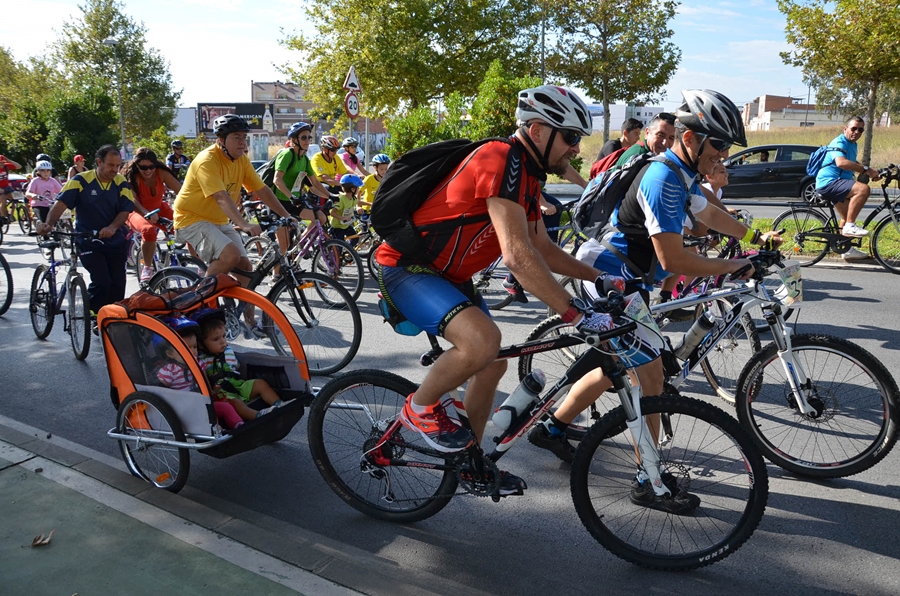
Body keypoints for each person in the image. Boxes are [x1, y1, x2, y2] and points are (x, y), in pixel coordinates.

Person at [531, 90, 781, 513]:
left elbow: (710, 214)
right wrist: (733, 267)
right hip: (610, 278)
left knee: (620, 369)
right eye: (718, 145)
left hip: (626, 276)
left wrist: (753, 239)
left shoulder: (679, 172)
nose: (722, 155)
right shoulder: (664, 178)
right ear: (691, 139)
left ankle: (553, 428)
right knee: (651, 380)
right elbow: (673, 258)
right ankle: (648, 480)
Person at [375, 85, 618, 496]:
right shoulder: (499, 157)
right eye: (572, 137)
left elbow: (543, 249)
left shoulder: (527, 175)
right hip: (405, 267)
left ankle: (468, 457)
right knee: (484, 340)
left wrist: (600, 279)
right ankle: (419, 408)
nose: (576, 150)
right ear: (539, 130)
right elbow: (518, 257)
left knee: (492, 362)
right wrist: (575, 313)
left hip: (448, 277)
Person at [173, 114, 295, 280]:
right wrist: (244, 224)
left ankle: (243, 307)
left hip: (219, 221)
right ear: (221, 140)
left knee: (245, 269)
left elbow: (262, 190)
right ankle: (201, 297)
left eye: (244, 137)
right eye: (237, 137)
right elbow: (220, 197)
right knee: (231, 256)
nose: (243, 143)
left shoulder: (241, 160)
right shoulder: (207, 160)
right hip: (191, 219)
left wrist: (286, 215)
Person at [36, 145, 135, 318]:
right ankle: (95, 314)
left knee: (118, 284)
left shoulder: (120, 182)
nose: (115, 170)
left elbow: (125, 211)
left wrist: (112, 227)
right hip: (88, 240)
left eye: (117, 165)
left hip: (116, 240)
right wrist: (49, 224)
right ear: (99, 162)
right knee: (102, 282)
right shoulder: (81, 181)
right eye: (111, 165)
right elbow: (60, 204)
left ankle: (112, 318)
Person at [154, 315, 245, 429]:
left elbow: (204, 380)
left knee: (226, 407)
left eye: (195, 346)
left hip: (200, 403)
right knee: (208, 415)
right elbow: (160, 391)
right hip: (184, 409)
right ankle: (217, 431)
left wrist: (211, 392)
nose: (193, 351)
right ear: (170, 354)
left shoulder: (198, 363)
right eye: (187, 348)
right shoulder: (168, 371)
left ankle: (239, 426)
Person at [193, 308, 284, 422]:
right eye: (216, 339)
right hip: (221, 393)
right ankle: (258, 415)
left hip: (237, 385)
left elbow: (236, 367)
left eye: (224, 336)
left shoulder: (228, 352)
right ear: (201, 344)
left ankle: (279, 405)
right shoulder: (202, 361)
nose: (223, 342)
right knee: (236, 403)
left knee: (260, 384)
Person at [815, 116, 879, 259]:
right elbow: (841, 163)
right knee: (863, 189)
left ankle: (845, 249)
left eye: (860, 130)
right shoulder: (840, 141)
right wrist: (866, 170)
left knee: (846, 215)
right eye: (854, 128)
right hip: (829, 182)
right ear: (845, 129)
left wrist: (870, 170)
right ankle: (850, 226)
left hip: (838, 183)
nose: (857, 132)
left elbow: (851, 162)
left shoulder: (853, 144)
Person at [271, 121, 331, 260]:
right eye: (303, 137)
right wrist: (291, 196)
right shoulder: (287, 155)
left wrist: (330, 196)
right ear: (294, 140)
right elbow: (277, 180)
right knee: (284, 246)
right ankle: (275, 275)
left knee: (321, 217)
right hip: (279, 202)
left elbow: (315, 182)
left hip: (294, 202)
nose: (308, 141)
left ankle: (300, 243)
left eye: (309, 137)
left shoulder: (304, 158)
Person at [122, 147, 183, 281]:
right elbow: (131, 200)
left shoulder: (161, 172)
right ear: (136, 165)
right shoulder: (132, 176)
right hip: (136, 211)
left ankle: (200, 264)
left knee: (187, 227)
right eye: (143, 168)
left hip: (158, 208)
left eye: (151, 166)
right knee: (149, 231)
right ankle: (147, 267)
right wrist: (146, 213)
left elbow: (182, 192)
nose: (148, 170)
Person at [612, 112, 677, 169]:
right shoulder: (640, 157)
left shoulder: (646, 152)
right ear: (647, 133)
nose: (665, 143)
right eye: (660, 135)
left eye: (671, 138)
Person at [329, 174, 363, 244]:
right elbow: (332, 213)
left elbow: (358, 201)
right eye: (358, 188)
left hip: (345, 226)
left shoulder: (352, 198)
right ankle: (338, 253)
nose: (359, 189)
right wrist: (342, 218)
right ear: (353, 189)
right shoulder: (341, 199)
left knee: (355, 238)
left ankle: (348, 252)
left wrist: (371, 203)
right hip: (337, 227)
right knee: (339, 246)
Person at [0, 154, 23, 224]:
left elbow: (19, 166)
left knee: (15, 200)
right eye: (0, 162)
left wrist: (8, 160)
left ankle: (11, 215)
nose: (2, 164)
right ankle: (3, 217)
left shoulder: (6, 166)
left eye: (3, 162)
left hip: (6, 186)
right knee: (4, 202)